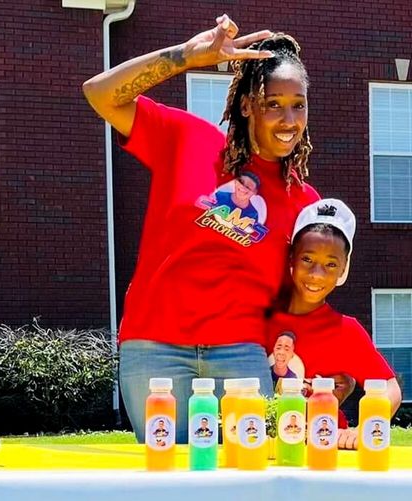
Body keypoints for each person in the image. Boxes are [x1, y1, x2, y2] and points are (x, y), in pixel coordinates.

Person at [83, 15, 319, 444]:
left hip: (242, 358)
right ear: (247, 105)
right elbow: (99, 93)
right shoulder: (189, 140)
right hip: (156, 351)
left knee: (246, 481)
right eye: (273, 103)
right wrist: (186, 57)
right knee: (165, 483)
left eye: (298, 104)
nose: (288, 118)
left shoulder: (305, 201)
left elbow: (301, 297)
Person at [266, 199, 403, 449]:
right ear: (291, 259)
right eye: (307, 259)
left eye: (331, 264)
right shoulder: (260, 320)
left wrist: (365, 427)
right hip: (267, 450)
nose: (317, 274)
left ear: (343, 271)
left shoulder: (346, 330)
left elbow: (390, 388)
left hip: (326, 450)